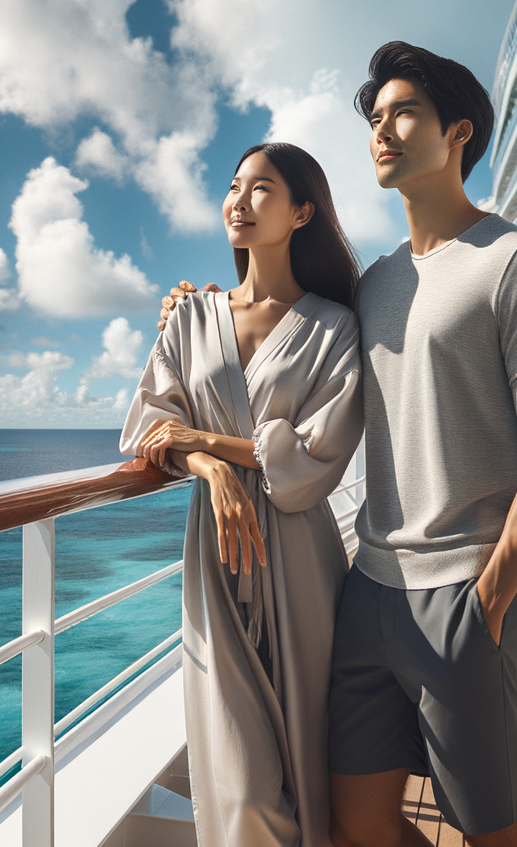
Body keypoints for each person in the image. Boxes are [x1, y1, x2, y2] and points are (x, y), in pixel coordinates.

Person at [159, 42, 517, 846]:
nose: (381, 130)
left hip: (466, 592)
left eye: (404, 112)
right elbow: (281, 323)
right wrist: (194, 304)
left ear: (458, 131)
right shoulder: (375, 286)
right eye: (374, 117)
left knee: (491, 829)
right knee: (358, 829)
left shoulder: (516, 264)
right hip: (366, 588)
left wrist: (494, 592)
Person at [123, 141, 365, 847]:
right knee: (242, 782)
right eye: (234, 186)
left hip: (302, 558)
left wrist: (207, 444)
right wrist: (212, 471)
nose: (239, 200)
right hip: (215, 559)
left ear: (302, 212)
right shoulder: (190, 317)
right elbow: (149, 424)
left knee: (309, 764)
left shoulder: (333, 325)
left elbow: (316, 458)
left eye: (262, 189)